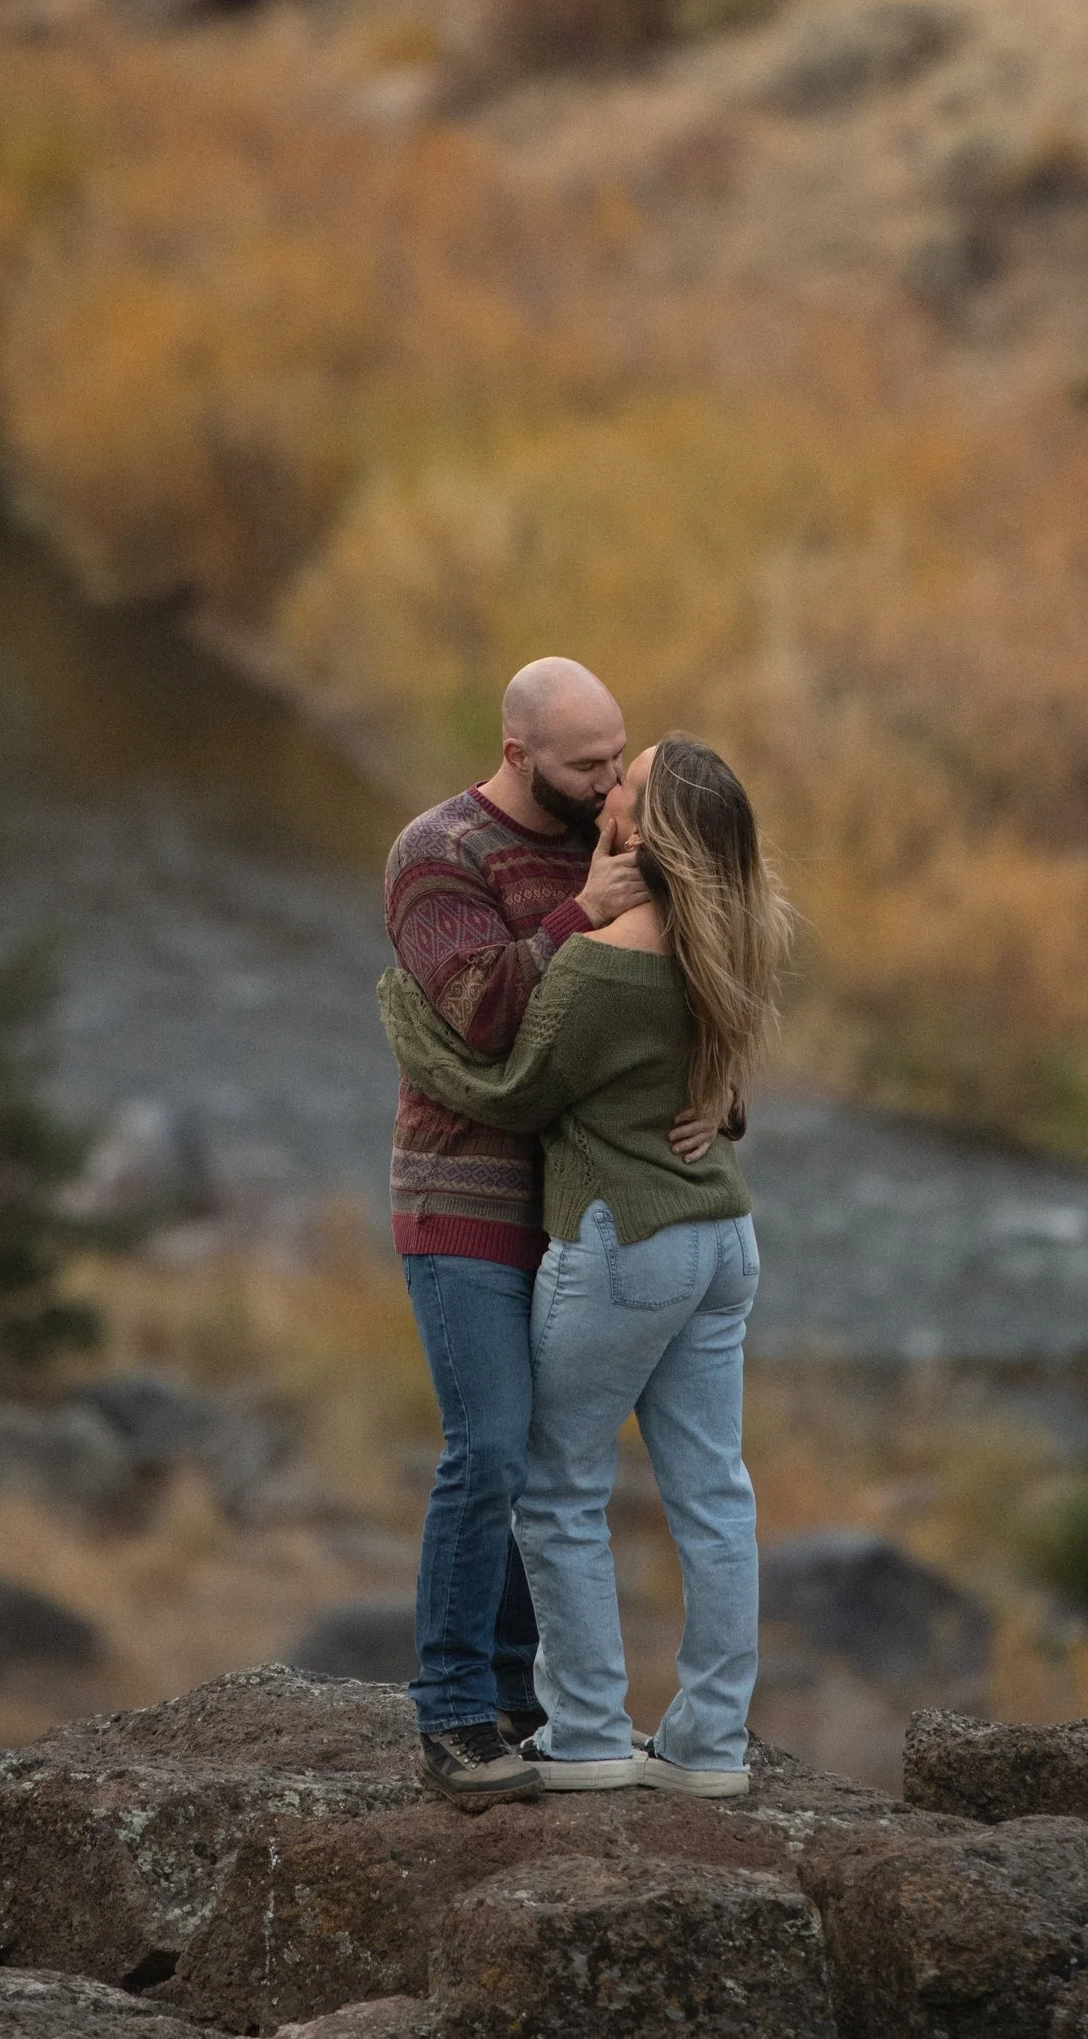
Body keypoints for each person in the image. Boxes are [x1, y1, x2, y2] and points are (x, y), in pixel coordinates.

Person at [379, 733, 790, 1797]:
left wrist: (407, 1026)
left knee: (558, 1490)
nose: (610, 791)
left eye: (629, 783)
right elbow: (707, 1073)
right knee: (715, 1495)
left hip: (625, 1243)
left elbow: (514, 1087)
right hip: (723, 1240)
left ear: (643, 831)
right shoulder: (731, 936)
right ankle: (707, 1748)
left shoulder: (605, 960)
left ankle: (590, 1735)